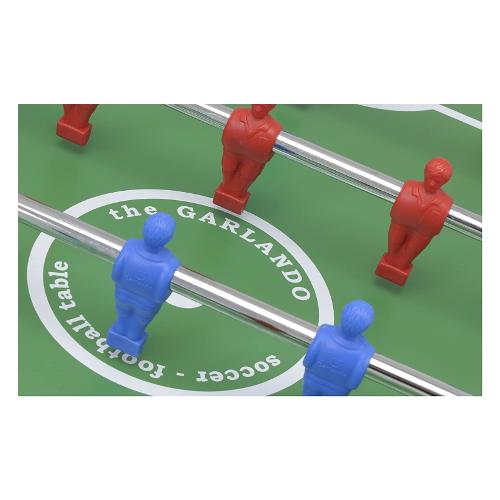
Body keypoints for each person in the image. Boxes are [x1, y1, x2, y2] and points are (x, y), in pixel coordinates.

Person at [107, 212, 180, 357]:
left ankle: (118, 331)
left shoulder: (129, 247)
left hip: (123, 294)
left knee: (122, 314)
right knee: (138, 323)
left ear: (144, 228)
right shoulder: (170, 264)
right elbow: (160, 295)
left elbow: (115, 274)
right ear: (169, 238)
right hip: (146, 304)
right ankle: (133, 338)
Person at [375, 158, 453, 286]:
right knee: (393, 246)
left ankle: (395, 270)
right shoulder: (410, 187)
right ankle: (390, 265)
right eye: (430, 178)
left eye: (437, 182)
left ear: (444, 182)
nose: (432, 184)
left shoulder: (445, 202)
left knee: (406, 256)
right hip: (400, 221)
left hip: (423, 233)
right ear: (425, 173)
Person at [213, 104, 282, 213]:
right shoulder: (238, 114)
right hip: (232, 150)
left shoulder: (273, 128)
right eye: (257, 104)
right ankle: (227, 190)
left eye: (263, 107)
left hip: (254, 159)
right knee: (227, 169)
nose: (258, 109)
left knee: (245, 178)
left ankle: (236, 195)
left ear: (270, 108)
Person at [303, 300, 375, 396]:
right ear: (367, 325)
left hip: (312, 380)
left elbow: (308, 361)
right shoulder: (366, 351)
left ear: (343, 313)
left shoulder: (324, 331)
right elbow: (353, 382)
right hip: (338, 390)